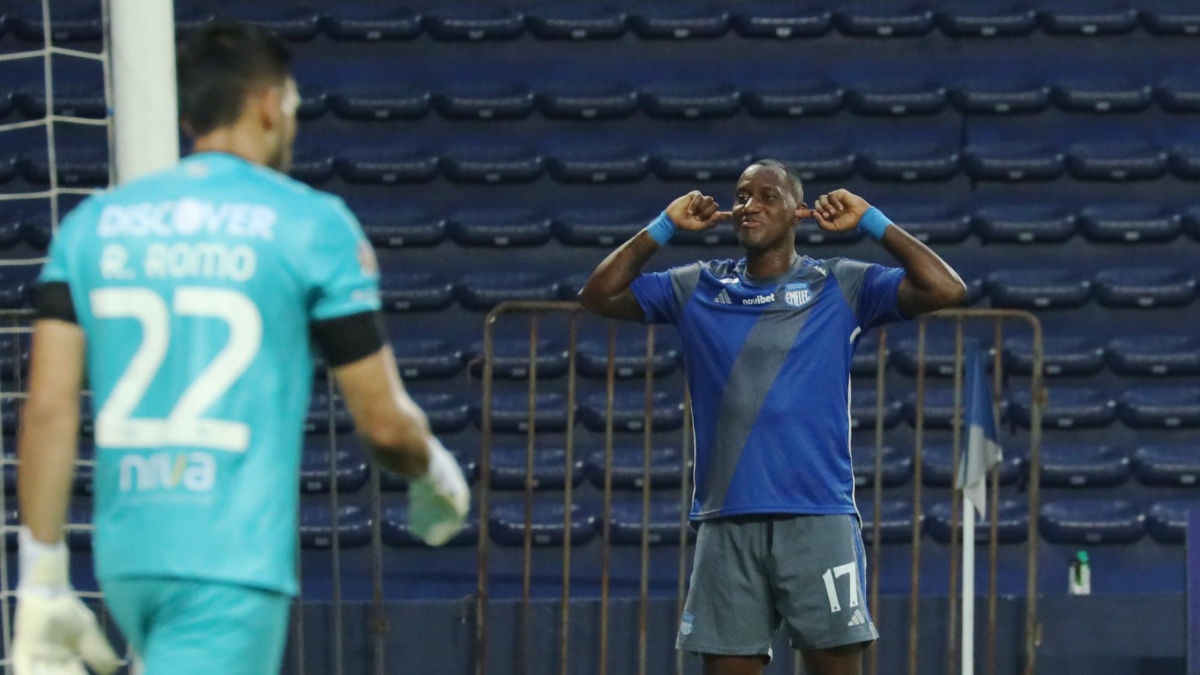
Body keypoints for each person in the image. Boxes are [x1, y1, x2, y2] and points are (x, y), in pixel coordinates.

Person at [12, 21, 469, 675]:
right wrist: (436, 474)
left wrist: (41, 574)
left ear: (190, 116)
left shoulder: (91, 225)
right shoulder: (310, 224)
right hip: (228, 562)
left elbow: (48, 410)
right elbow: (383, 424)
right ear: (269, 105)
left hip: (128, 557)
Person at [578, 159, 966, 675]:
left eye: (767, 196)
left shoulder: (841, 283)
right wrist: (665, 225)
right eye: (741, 196)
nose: (749, 206)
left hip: (818, 517)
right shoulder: (697, 286)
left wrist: (871, 220)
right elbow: (597, 295)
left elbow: (946, 288)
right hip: (727, 521)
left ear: (797, 211)